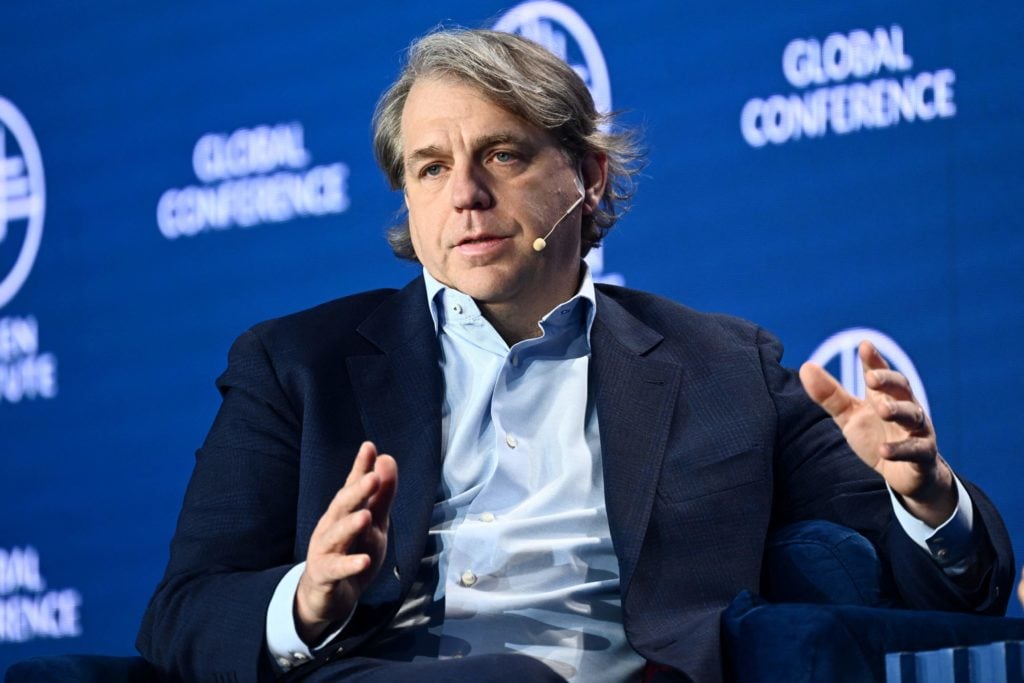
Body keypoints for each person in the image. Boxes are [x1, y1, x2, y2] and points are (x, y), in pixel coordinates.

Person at [137, 28, 1014, 682]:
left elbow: (943, 601)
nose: (467, 196)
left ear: (588, 176)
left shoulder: (724, 366)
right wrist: (307, 598)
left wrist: (927, 497)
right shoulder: (298, 365)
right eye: (432, 168)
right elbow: (178, 617)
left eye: (502, 155)